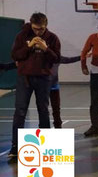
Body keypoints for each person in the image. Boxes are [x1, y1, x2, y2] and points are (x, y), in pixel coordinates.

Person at [9, 12, 61, 158]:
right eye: (36, 29)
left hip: (44, 79)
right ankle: (15, 146)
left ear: (46, 25)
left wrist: (46, 49)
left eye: (41, 29)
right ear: (31, 25)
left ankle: (44, 146)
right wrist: (30, 46)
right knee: (20, 111)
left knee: (43, 111)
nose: (38, 32)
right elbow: (15, 55)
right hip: (25, 78)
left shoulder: (52, 38)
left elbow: (56, 58)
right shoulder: (22, 36)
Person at [2, 57, 81, 128]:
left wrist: (81, 57)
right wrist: (4, 66)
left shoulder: (56, 57)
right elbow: (16, 64)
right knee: (42, 108)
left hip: (54, 86)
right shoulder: (38, 58)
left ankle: (58, 125)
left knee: (56, 108)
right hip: (43, 86)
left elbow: (69, 60)